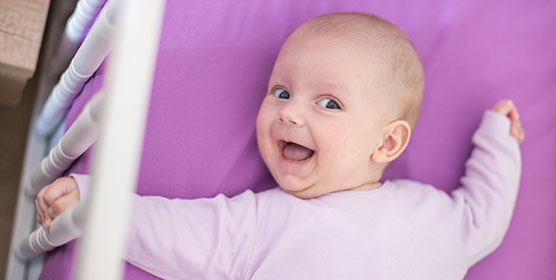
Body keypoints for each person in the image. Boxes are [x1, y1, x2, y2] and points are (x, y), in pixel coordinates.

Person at [35, 12, 525, 279]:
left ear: (389, 141)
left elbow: (485, 214)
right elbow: (177, 231)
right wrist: (94, 204)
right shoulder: (264, 222)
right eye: (281, 92)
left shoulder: (436, 216)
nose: (290, 112)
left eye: (329, 103)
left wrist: (497, 144)